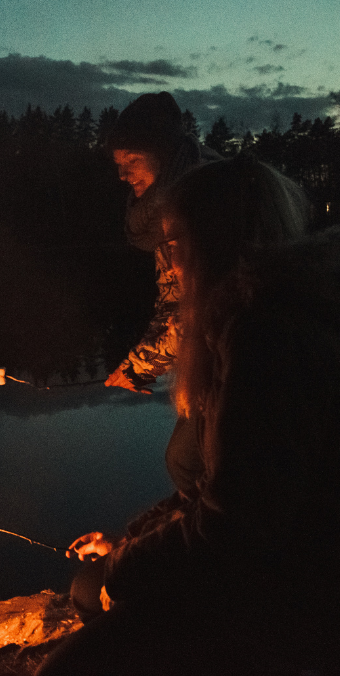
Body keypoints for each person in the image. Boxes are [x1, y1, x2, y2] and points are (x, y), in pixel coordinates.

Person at [39, 157, 335, 676]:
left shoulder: (267, 340)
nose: (170, 264)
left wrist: (123, 567)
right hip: (273, 567)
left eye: (174, 243)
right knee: (88, 587)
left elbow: (234, 529)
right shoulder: (253, 320)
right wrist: (130, 541)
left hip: (301, 595)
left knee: (66, 666)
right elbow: (220, 489)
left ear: (214, 244)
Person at [104, 91, 218, 396]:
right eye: (118, 163)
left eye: (132, 160)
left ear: (163, 154)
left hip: (242, 368)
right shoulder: (166, 206)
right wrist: (135, 365)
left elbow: (205, 310)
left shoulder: (205, 201)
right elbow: (173, 303)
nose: (122, 174)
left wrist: (140, 367)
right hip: (213, 367)